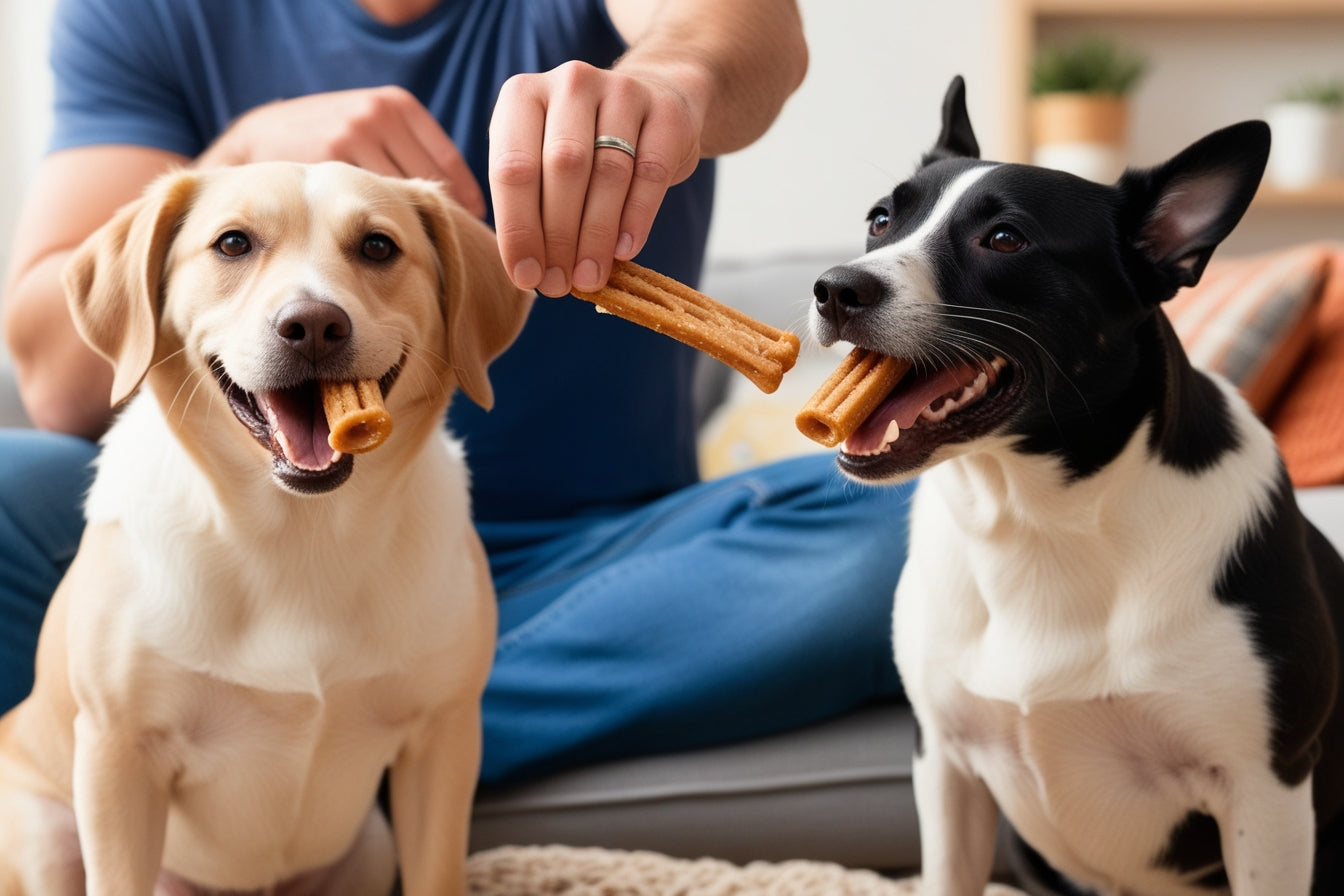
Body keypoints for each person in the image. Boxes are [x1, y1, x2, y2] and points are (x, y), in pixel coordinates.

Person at [0, 0, 912, 786]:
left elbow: (752, 33)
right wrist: (239, 152)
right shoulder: (147, 12)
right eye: (239, 245)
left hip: (585, 564)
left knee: (910, 521)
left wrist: (670, 83)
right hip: (219, 559)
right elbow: (54, 378)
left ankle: (360, 742)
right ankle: (345, 740)